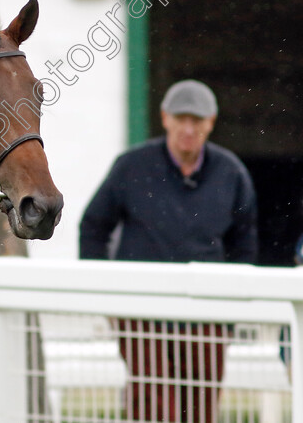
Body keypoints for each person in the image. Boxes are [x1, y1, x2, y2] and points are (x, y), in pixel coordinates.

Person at [79, 79, 258, 422]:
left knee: (201, 405)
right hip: (141, 309)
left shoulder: (231, 172)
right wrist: (104, 294)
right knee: (151, 404)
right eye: (181, 118)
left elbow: (245, 242)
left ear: (211, 122)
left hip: (209, 313)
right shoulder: (131, 166)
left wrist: (232, 306)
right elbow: (93, 227)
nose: (188, 129)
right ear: (165, 118)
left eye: (197, 120)